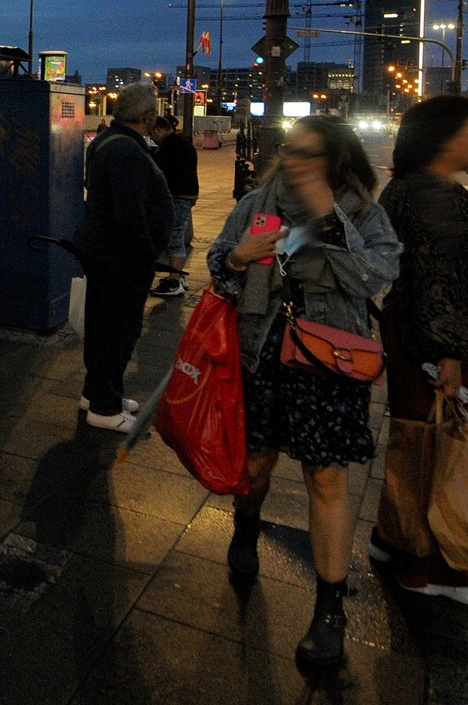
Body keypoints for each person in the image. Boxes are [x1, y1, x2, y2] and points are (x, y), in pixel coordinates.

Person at [206, 115, 401, 668]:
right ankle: (246, 528)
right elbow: (219, 262)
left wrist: (329, 219)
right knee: (258, 461)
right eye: (291, 151)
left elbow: (375, 278)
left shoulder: (363, 212)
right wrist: (238, 258)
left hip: (329, 359)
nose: (295, 163)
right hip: (262, 350)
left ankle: (329, 611)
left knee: (328, 478)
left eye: (310, 154)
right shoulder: (257, 202)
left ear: (337, 160)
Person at [374, 96, 468, 605]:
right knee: (439, 448)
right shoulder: (440, 196)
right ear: (446, 139)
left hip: (405, 329)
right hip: (434, 343)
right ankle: (430, 565)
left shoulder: (403, 188)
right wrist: (451, 356)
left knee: (413, 440)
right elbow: (442, 282)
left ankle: (394, 539)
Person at [73, 82, 173, 432]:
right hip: (121, 258)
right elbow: (131, 215)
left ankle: (98, 393)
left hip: (102, 251)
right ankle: (104, 406)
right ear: (146, 117)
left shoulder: (103, 141)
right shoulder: (127, 152)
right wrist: (147, 254)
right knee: (118, 331)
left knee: (102, 327)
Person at [149, 114, 200, 298]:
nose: (152, 138)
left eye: (153, 134)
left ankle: (174, 281)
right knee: (175, 236)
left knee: (174, 236)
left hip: (178, 195)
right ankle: (179, 276)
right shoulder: (180, 141)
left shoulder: (171, 144)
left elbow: (161, 170)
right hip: (186, 193)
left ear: (159, 129)